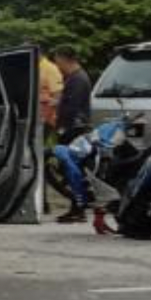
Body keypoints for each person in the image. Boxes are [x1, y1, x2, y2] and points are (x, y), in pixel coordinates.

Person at [49, 46, 93, 223]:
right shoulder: (75, 78)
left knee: (72, 170)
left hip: (73, 130)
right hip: (73, 128)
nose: (56, 64)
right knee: (70, 170)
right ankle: (77, 206)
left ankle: (79, 207)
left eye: (57, 60)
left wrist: (62, 128)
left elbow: (72, 108)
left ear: (65, 59)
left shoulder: (78, 80)